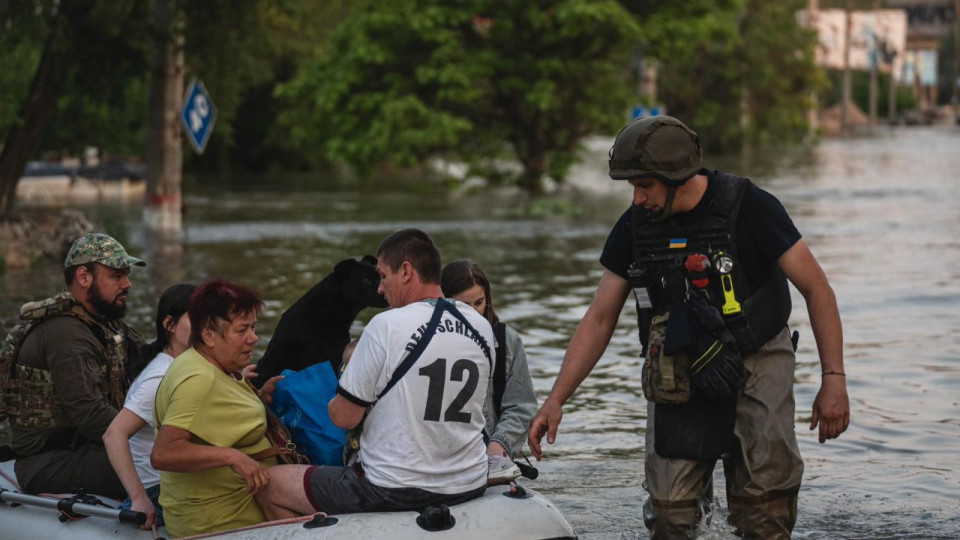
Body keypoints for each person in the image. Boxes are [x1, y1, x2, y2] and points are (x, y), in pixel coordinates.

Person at [528, 116, 850, 539]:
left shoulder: (751, 207)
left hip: (757, 360)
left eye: (645, 185)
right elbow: (600, 317)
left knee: (764, 512)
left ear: (678, 177)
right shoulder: (634, 226)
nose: (637, 197)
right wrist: (556, 399)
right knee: (670, 516)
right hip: (675, 369)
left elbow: (817, 288)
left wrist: (833, 379)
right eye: (632, 186)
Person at [256, 228, 493, 518]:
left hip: (392, 487)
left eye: (382, 275)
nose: (380, 289)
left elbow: (343, 417)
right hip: (469, 480)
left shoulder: (386, 325)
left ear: (406, 271)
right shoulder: (479, 326)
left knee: (270, 484)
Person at [7, 233, 145, 499]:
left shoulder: (106, 323)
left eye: (127, 275)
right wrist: (154, 439)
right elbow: (90, 414)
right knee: (155, 464)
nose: (128, 284)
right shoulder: (66, 334)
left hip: (90, 447)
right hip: (49, 461)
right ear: (84, 277)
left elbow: (150, 362)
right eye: (117, 275)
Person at [150, 278, 275, 538]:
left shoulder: (205, 363)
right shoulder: (199, 379)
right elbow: (163, 453)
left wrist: (261, 396)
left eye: (254, 327)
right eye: (242, 331)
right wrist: (233, 457)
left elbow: (214, 416)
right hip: (220, 521)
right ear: (208, 335)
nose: (254, 338)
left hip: (233, 505)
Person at [102, 283, 196, 530]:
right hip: (158, 488)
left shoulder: (187, 367)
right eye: (197, 318)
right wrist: (139, 498)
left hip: (180, 479)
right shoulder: (160, 377)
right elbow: (114, 434)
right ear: (170, 324)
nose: (207, 327)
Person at [441, 259, 537, 484]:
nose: (474, 313)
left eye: (479, 302)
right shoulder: (428, 342)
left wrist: (498, 447)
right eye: (464, 305)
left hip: (488, 453)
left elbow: (521, 406)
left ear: (488, 301)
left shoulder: (508, 342)